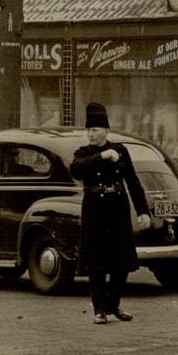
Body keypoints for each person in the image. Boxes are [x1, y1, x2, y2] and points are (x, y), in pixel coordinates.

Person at [70, 102, 152, 325]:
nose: (91, 134)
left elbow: (133, 182)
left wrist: (143, 211)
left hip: (117, 207)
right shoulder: (83, 153)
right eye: (88, 130)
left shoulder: (121, 150)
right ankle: (99, 309)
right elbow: (75, 169)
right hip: (94, 209)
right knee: (96, 261)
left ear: (106, 131)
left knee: (121, 261)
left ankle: (113, 304)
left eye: (95, 130)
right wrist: (102, 157)